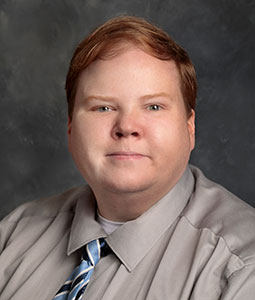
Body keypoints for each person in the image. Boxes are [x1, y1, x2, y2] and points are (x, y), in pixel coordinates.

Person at [0, 15, 255, 300]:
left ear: (189, 127)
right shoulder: (14, 235)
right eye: (103, 108)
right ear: (70, 127)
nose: (127, 127)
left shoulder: (241, 268)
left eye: (154, 106)